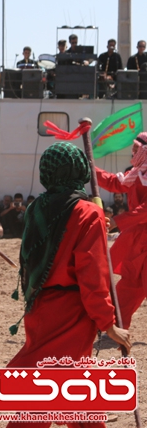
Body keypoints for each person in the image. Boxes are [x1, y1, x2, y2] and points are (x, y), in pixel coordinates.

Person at [5, 142, 130, 428]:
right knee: (48, 394)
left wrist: (98, 222)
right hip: (72, 313)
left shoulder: (38, 206)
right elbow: (92, 275)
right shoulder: (88, 213)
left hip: (38, 307)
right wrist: (107, 322)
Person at [92, 132, 147, 329]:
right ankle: (117, 327)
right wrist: (91, 169)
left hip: (140, 234)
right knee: (130, 285)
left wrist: (117, 221)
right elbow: (115, 183)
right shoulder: (137, 173)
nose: (132, 151)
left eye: (135, 148)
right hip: (137, 238)